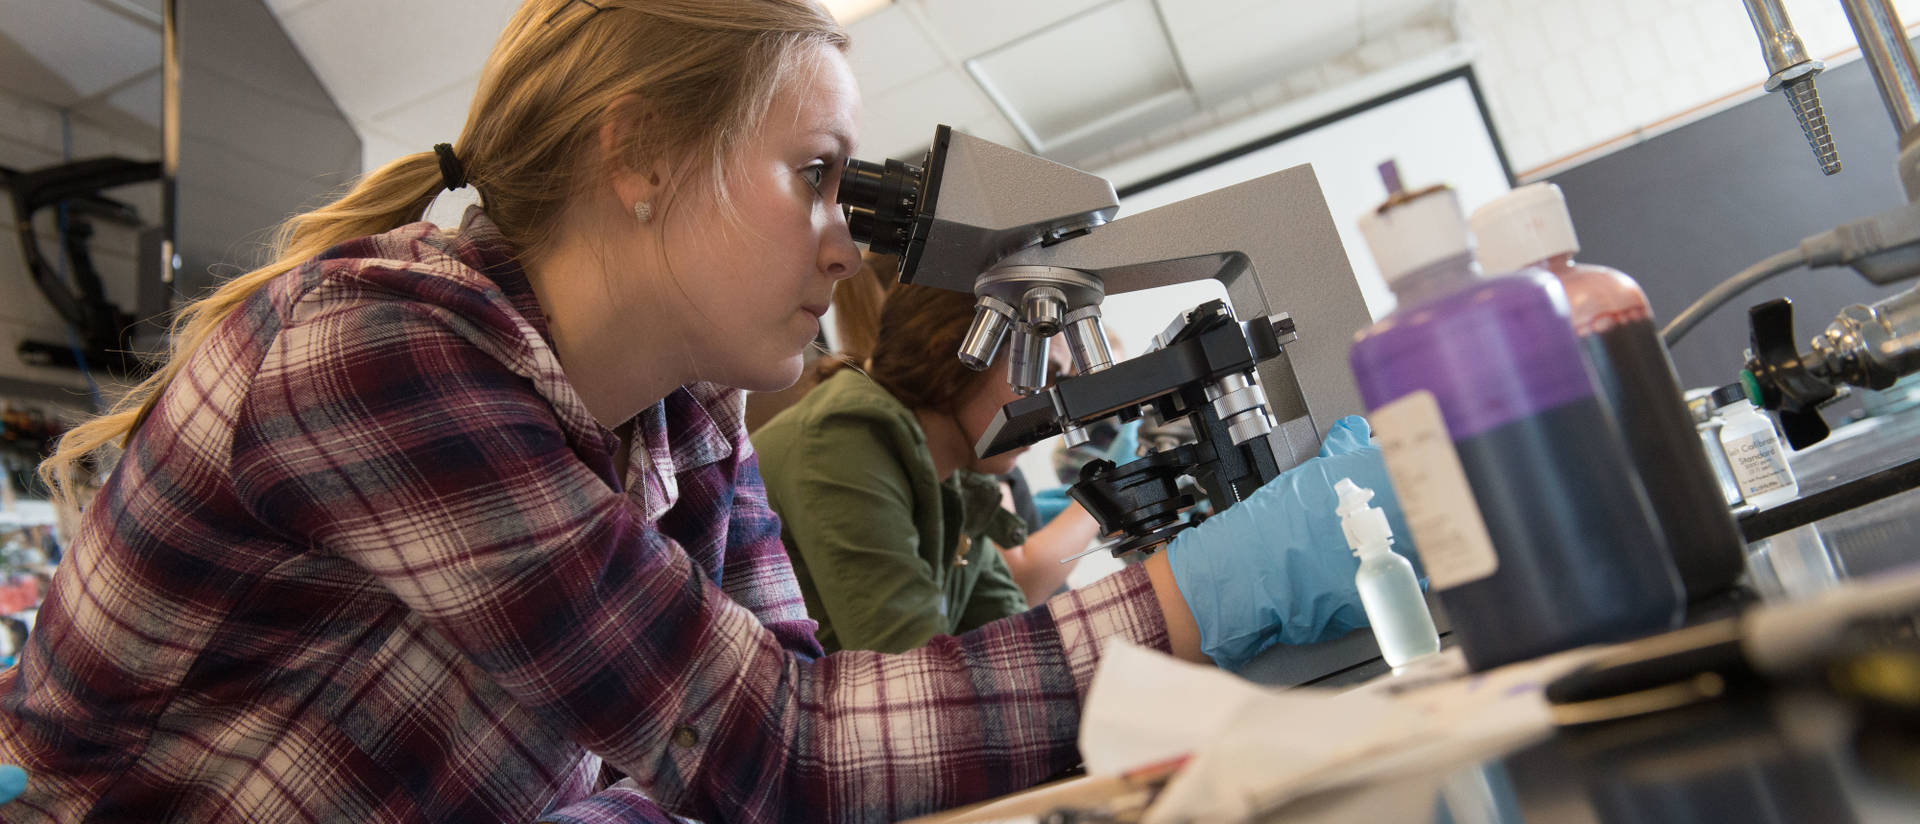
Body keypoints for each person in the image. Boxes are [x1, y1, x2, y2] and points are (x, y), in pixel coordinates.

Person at [0, 2, 1403, 821]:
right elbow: (782, 745)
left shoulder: (690, 421)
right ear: (641, 160)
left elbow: (780, 723)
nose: (848, 244)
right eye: (813, 173)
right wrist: (1202, 595)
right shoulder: (374, 352)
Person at [752, 280, 1112, 653]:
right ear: (956, 348)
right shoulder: (843, 439)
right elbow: (917, 670)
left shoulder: (949, 481)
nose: (1053, 415)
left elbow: (1014, 643)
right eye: (1038, 374)